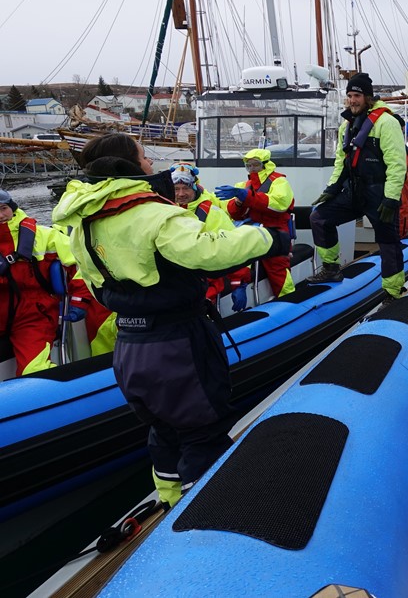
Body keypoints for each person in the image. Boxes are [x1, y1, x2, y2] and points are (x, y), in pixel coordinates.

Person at [51, 132, 280, 506]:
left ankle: (170, 501)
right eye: (143, 157)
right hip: (177, 343)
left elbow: (93, 283)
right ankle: (209, 517)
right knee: (203, 432)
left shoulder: (84, 222)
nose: (150, 164)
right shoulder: (154, 212)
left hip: (129, 346)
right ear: (127, 164)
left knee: (162, 431)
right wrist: (266, 239)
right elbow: (208, 251)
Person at [306, 72, 407, 300]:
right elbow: (341, 162)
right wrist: (331, 189)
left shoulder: (386, 123)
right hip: (354, 192)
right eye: (350, 95)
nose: (353, 100)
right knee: (319, 218)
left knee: (388, 242)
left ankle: (393, 291)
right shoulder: (347, 126)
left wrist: (391, 198)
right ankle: (331, 269)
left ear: (368, 98)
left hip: (379, 193)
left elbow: (397, 165)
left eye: (357, 95)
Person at [0, 190, 91, 375]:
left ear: (12, 208)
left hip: (33, 316)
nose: (0, 215)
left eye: (3, 208)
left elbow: (81, 261)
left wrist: (80, 300)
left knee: (34, 371)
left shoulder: (43, 236)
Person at [215, 149, 295, 299]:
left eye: (255, 165)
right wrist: (238, 201)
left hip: (275, 231)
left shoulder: (279, 182)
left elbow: (278, 205)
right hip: (249, 231)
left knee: (278, 267)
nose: (252, 168)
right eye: (248, 165)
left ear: (266, 165)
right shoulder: (243, 185)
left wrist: (247, 197)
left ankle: (288, 298)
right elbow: (233, 213)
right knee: (235, 258)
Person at [172, 163, 251, 312]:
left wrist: (238, 282)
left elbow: (233, 246)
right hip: (170, 285)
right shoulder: (164, 211)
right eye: (176, 189)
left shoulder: (212, 213)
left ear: (195, 187)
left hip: (203, 286)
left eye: (186, 188)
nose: (181, 194)